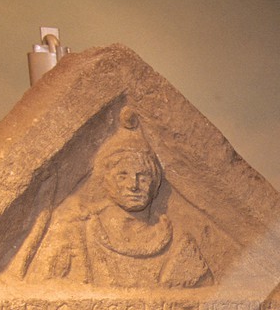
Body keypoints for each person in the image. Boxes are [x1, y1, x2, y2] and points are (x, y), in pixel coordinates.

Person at [16, 107, 213, 288]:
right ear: (106, 179)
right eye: (123, 175)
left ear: (155, 183)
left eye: (142, 176)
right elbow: (44, 286)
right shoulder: (77, 232)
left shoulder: (177, 242)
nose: (133, 185)